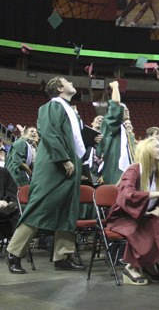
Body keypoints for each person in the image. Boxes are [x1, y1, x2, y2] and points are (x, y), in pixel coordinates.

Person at [6, 77, 86, 274]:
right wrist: (63, 159)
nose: (72, 83)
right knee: (39, 207)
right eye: (67, 81)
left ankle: (63, 256)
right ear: (59, 88)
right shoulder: (51, 106)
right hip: (55, 165)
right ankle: (13, 253)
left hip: (70, 163)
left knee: (68, 209)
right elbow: (49, 133)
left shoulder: (70, 110)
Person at [106, 137, 159, 285]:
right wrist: (156, 194)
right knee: (146, 227)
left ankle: (146, 263)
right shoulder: (134, 170)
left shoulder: (158, 173)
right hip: (124, 216)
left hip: (145, 215)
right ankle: (131, 267)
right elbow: (126, 194)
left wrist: (157, 208)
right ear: (147, 150)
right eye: (157, 146)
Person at [99, 81, 135, 184]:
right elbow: (115, 106)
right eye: (123, 110)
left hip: (128, 170)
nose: (126, 110)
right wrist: (115, 87)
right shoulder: (110, 124)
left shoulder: (126, 131)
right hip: (115, 169)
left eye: (127, 109)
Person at [0, 166, 18, 241]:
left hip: (4, 211)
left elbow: (11, 191)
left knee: (20, 211)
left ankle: (15, 249)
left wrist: (9, 201)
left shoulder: (3, 172)